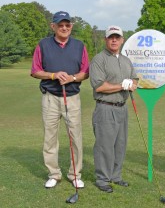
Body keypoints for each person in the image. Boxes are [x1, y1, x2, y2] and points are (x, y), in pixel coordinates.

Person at [31, 11, 89, 189]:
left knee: (75, 137)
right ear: (53, 26)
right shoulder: (43, 45)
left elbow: (85, 72)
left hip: (72, 97)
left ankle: (75, 174)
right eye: (60, 25)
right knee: (50, 138)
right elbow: (35, 71)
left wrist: (71, 78)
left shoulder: (79, 46)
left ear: (71, 26)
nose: (64, 28)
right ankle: (54, 174)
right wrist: (53, 75)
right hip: (50, 98)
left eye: (67, 25)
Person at [89, 25, 138, 193]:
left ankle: (115, 176)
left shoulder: (126, 60)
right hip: (105, 107)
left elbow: (135, 79)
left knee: (120, 144)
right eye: (111, 37)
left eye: (117, 37)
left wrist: (132, 84)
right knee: (104, 145)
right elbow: (100, 86)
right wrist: (121, 85)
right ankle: (102, 179)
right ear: (106, 40)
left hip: (122, 108)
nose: (114, 40)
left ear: (122, 40)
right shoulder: (99, 59)